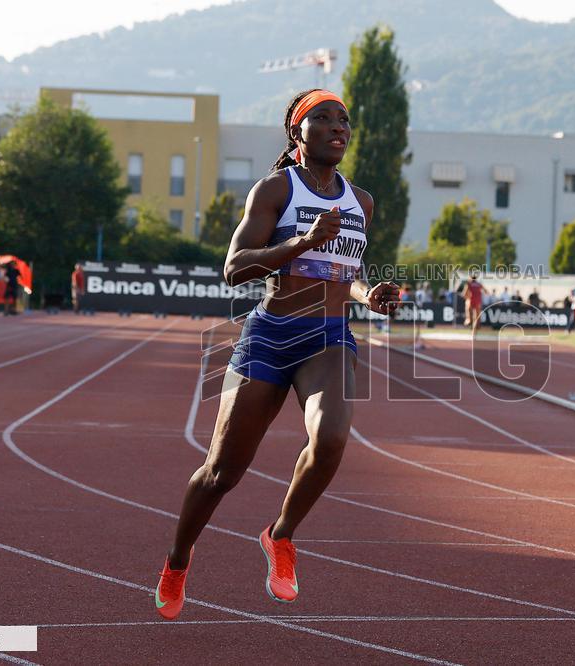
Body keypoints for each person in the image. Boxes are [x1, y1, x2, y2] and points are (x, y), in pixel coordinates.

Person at [154, 89, 399, 619]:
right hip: (270, 335)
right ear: (298, 133)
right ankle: (177, 559)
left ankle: (280, 535)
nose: (339, 126)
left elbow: (346, 273)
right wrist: (301, 243)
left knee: (331, 437)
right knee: (222, 472)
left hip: (329, 336)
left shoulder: (362, 201)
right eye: (325, 118)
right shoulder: (274, 189)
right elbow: (235, 267)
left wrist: (369, 294)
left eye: (345, 120)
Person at [460, 271, 483, 335]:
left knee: (467, 305)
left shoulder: (468, 284)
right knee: (477, 316)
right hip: (478, 301)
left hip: (471, 300)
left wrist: (466, 297)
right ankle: (476, 327)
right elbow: (486, 291)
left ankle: (468, 319)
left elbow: (464, 294)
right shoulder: (479, 284)